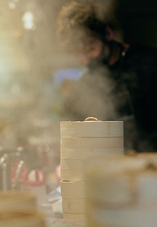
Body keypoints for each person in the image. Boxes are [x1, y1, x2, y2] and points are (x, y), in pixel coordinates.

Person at [56, 0, 157, 152]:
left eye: (90, 49)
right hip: (110, 169)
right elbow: (76, 136)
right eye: (78, 54)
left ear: (108, 34)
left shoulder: (150, 63)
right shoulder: (87, 84)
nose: (85, 60)